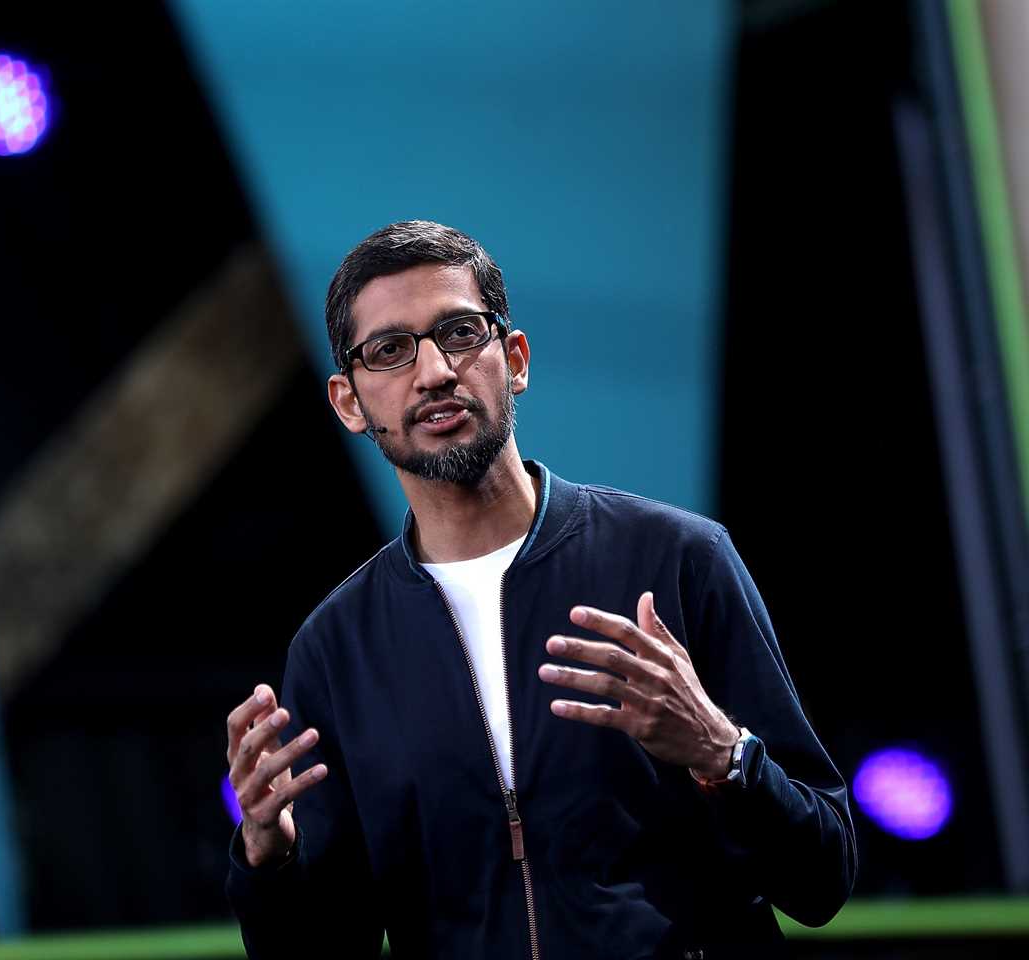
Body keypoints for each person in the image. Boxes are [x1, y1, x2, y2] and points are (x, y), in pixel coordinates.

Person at [224, 221, 856, 959]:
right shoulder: (335, 649)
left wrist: (725, 755)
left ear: (514, 359)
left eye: (459, 332)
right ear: (349, 402)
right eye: (390, 351)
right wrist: (270, 861)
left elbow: (822, 880)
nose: (433, 373)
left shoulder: (678, 559)